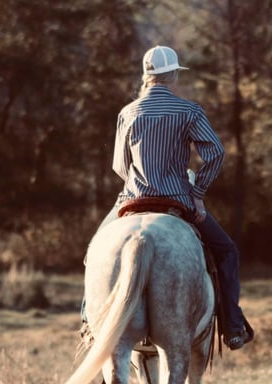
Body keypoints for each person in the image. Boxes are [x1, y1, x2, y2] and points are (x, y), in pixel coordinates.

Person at [84, 45, 253, 351]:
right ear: (173, 75)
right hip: (178, 201)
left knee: (94, 251)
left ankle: (88, 322)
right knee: (227, 251)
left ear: (146, 75)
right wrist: (197, 193)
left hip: (132, 199)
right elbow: (215, 154)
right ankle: (233, 325)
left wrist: (139, 182)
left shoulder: (128, 112)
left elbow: (119, 166)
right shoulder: (189, 111)